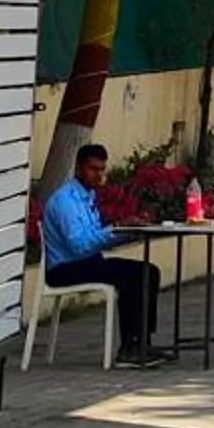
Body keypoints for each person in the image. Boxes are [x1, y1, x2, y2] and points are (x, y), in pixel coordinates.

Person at [39, 144, 167, 367]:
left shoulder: (87, 197)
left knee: (148, 271)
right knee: (131, 276)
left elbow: (96, 236)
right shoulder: (65, 201)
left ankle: (142, 341)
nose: (98, 175)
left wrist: (129, 230)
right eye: (93, 169)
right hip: (65, 268)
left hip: (88, 261)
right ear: (78, 168)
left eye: (101, 169)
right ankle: (130, 348)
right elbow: (79, 245)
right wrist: (115, 228)